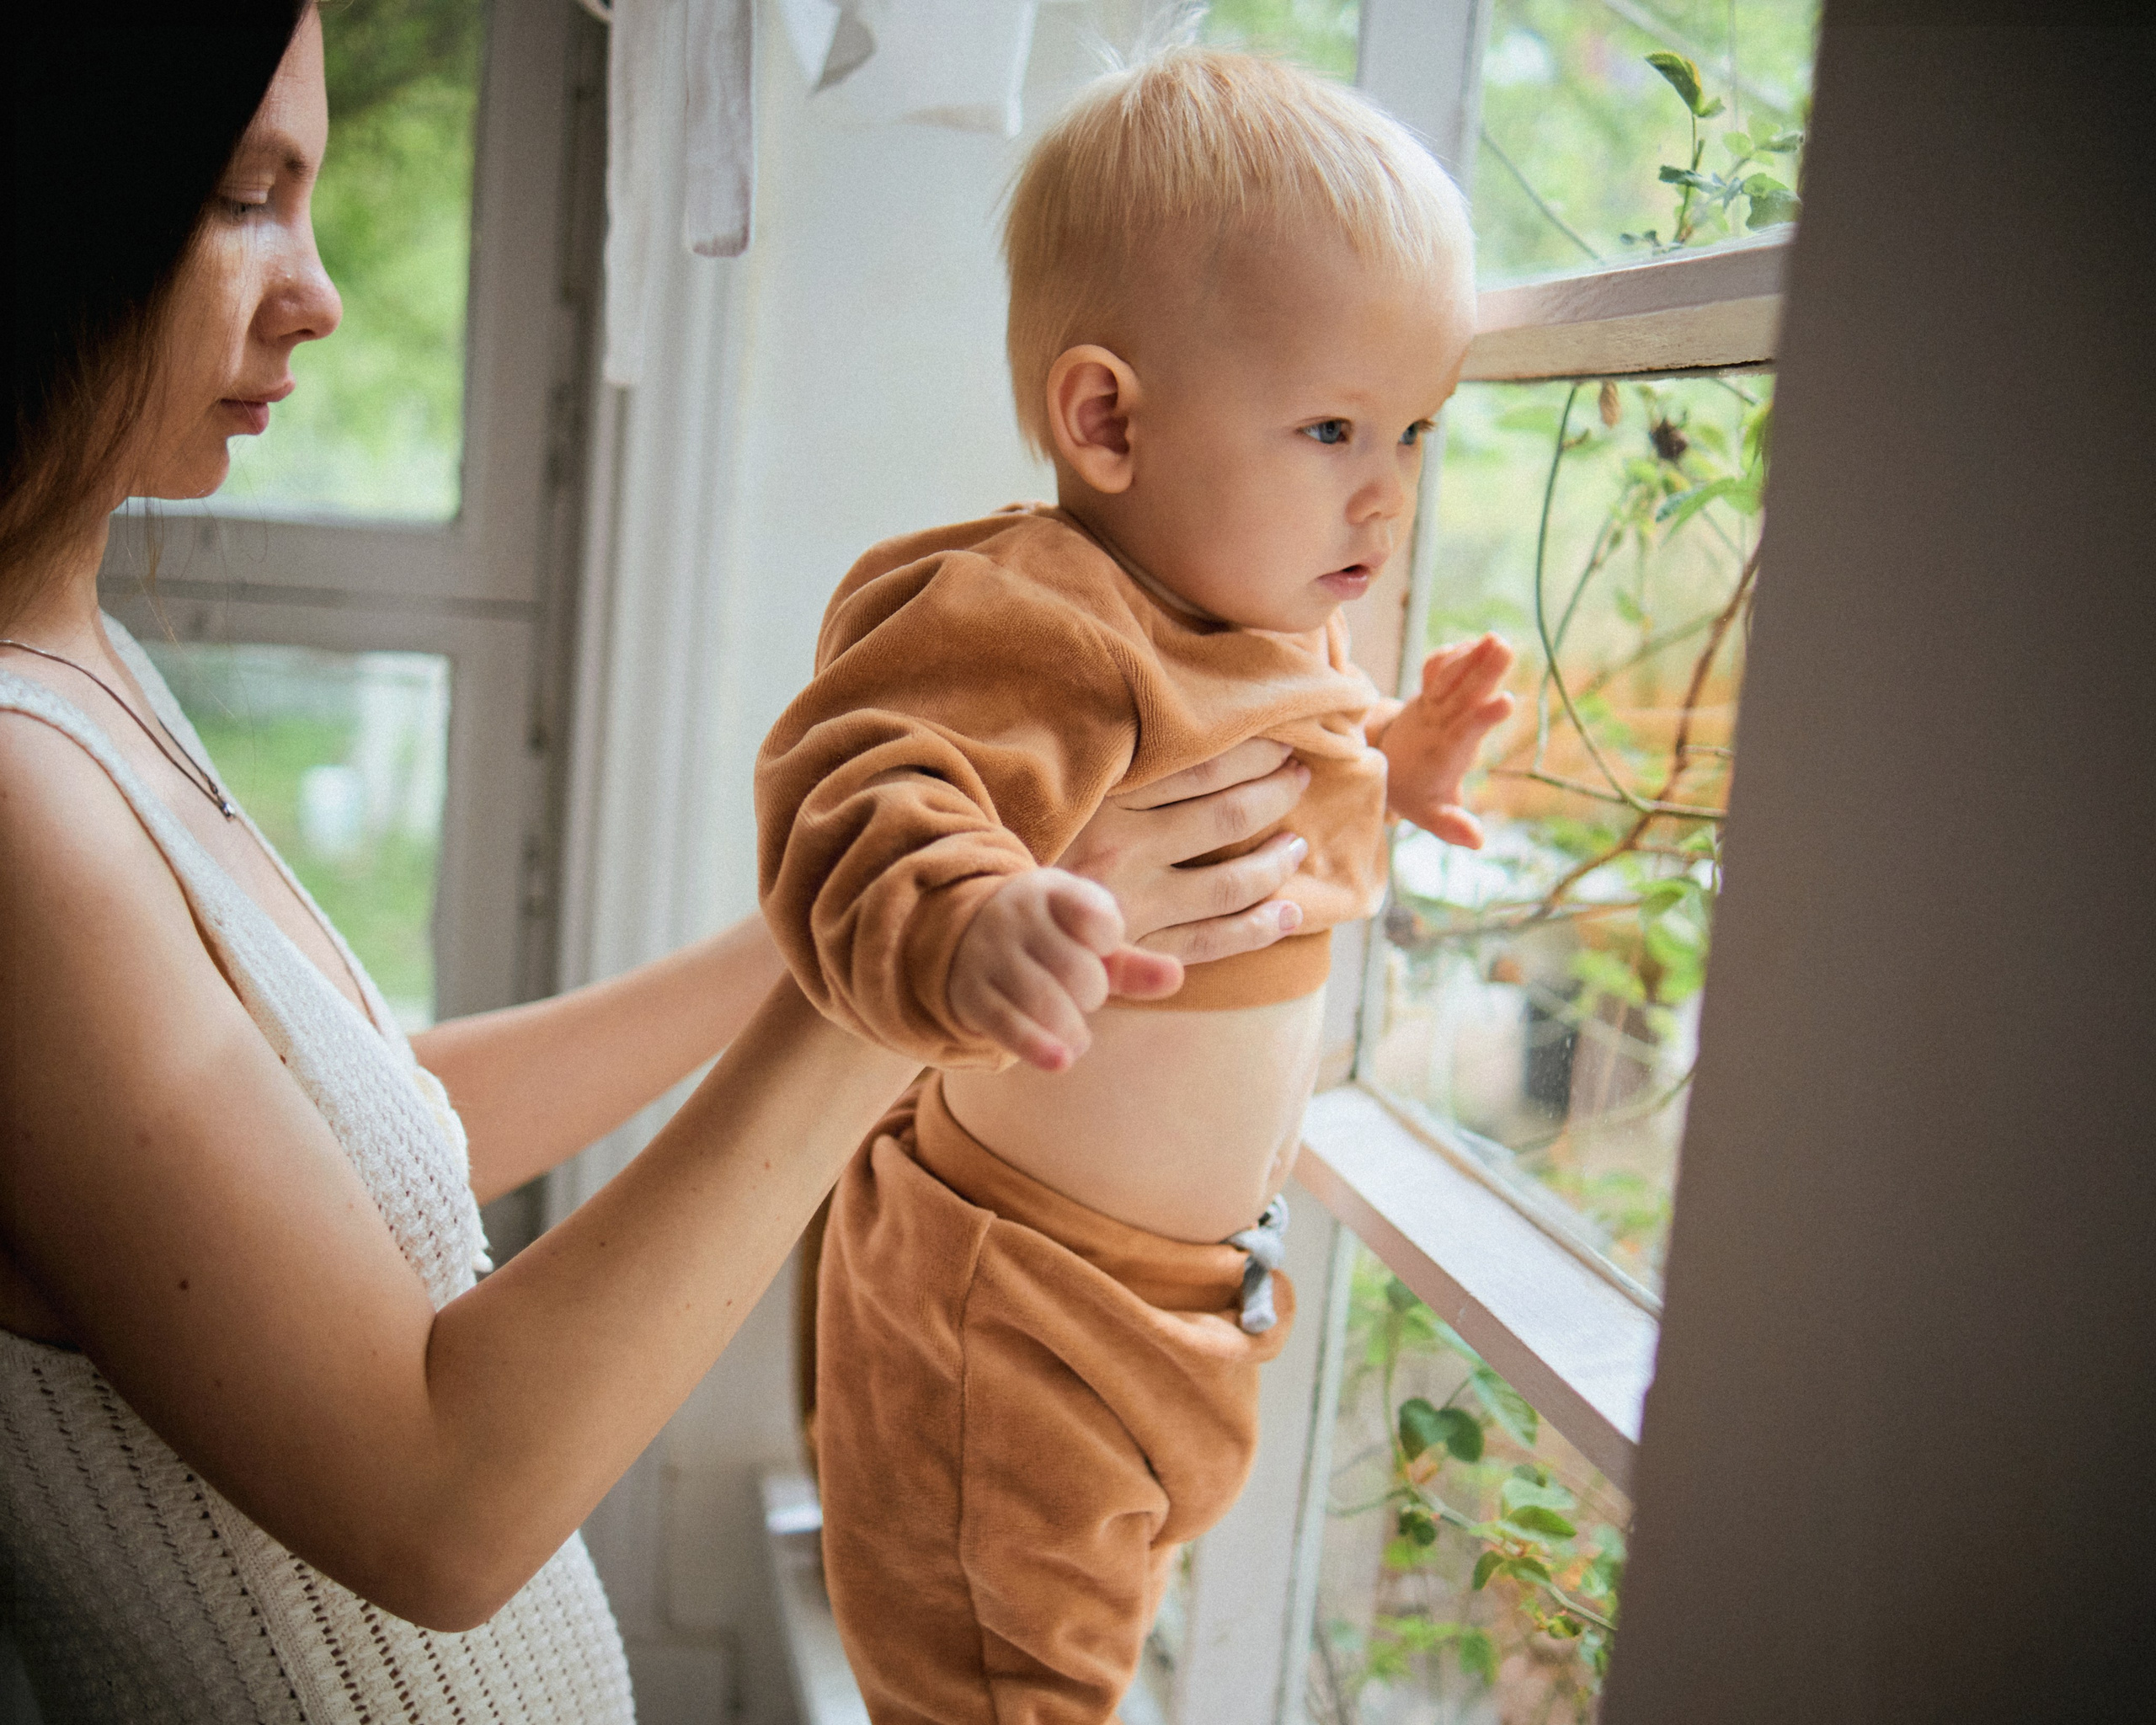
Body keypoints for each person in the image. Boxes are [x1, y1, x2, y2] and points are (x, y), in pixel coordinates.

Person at [0, 8, 1316, 1718]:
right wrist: (916, 990)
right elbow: (437, 1506)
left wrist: (855, 917)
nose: (316, 291)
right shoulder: (19, 802)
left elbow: (356, 1132)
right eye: (246, 199)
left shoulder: (76, 672)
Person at [755, 45, 1518, 1725]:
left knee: (1097, 1659)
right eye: (1327, 426)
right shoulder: (1034, 615)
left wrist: (1390, 772)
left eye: (1407, 428)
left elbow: (1258, 837)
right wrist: (967, 919)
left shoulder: (1263, 632)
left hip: (1183, 1304)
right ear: (1104, 417)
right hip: (1010, 1317)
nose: (1384, 489)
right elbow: (859, 789)